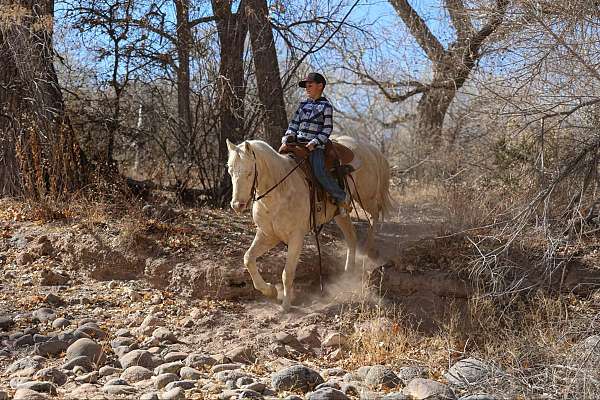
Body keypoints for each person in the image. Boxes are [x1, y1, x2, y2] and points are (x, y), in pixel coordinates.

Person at [282, 72, 351, 214]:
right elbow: (294, 124)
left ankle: (340, 196)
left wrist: (315, 142)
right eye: (306, 86)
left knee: (319, 171)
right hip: (297, 143)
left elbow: (327, 129)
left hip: (315, 147)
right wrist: (289, 136)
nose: (307, 88)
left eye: (310, 85)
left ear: (320, 86)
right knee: (279, 160)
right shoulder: (302, 105)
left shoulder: (326, 107)